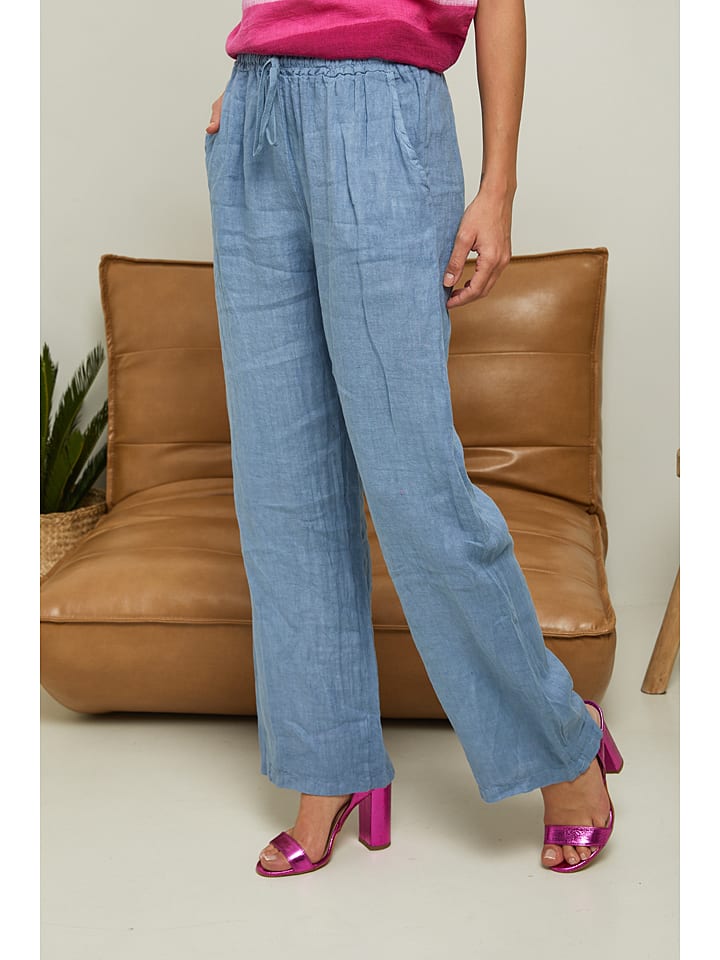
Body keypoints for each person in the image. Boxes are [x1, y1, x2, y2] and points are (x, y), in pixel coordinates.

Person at [204, 0, 623, 878]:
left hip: (381, 112)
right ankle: (328, 768)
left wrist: (498, 187)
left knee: (412, 481)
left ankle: (562, 743)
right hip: (258, 113)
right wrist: (254, 75)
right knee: (283, 483)